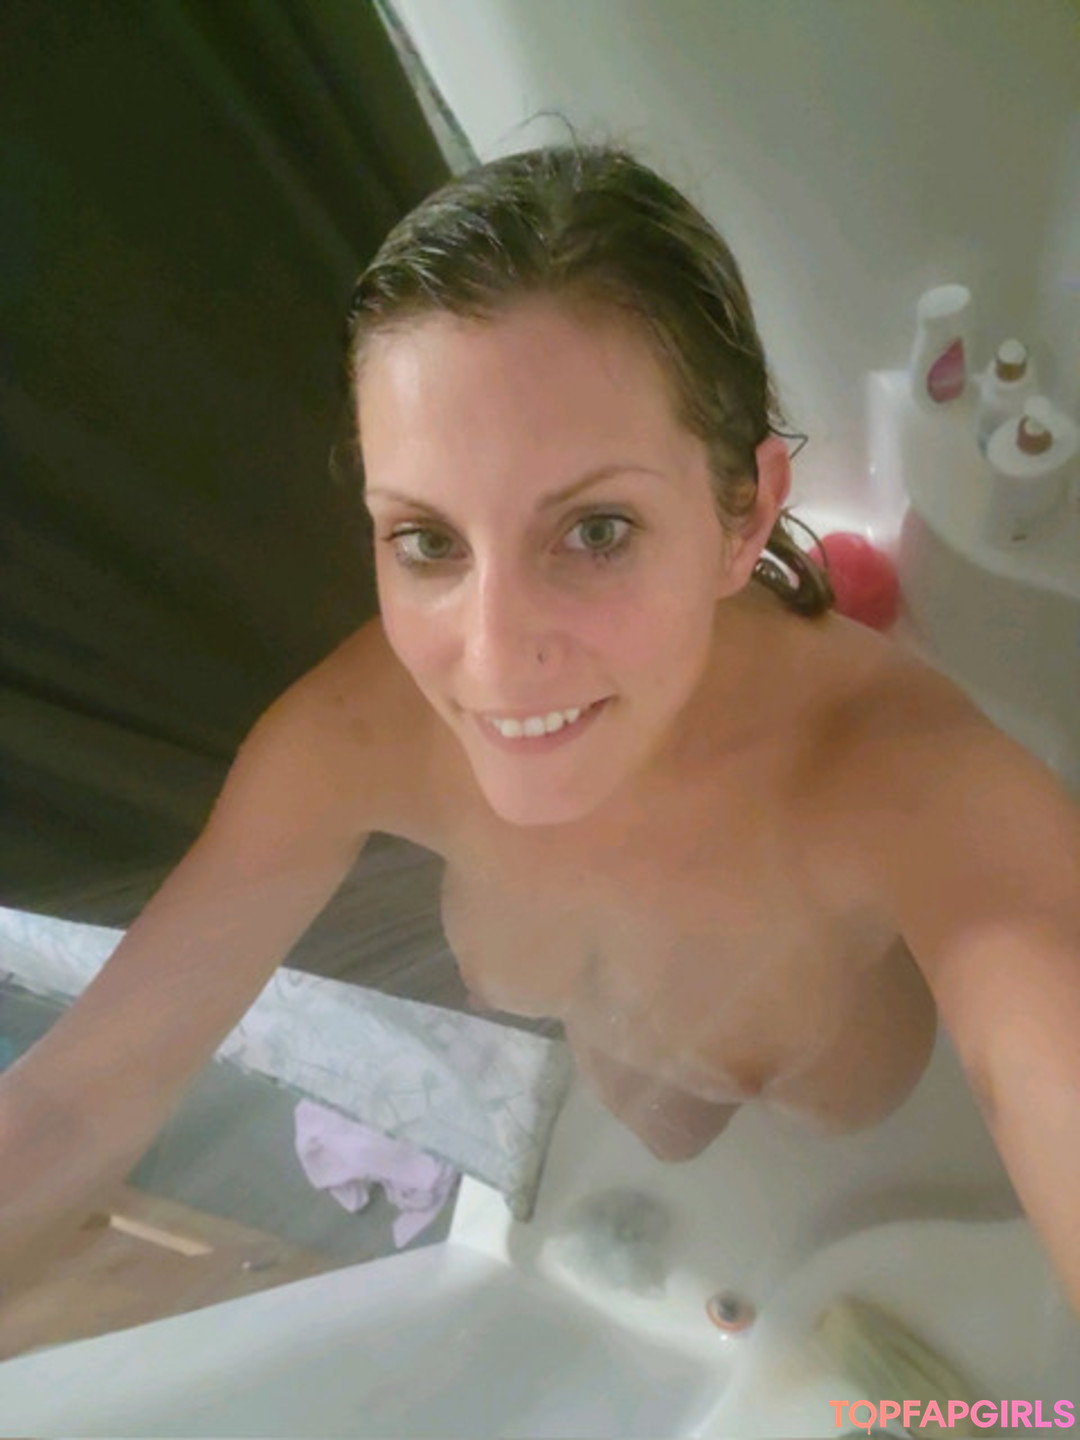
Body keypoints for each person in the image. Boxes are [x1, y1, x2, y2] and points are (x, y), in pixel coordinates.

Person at [2, 143, 1078, 1313]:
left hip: (836, 1082)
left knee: (820, 1104)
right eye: (428, 541)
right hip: (628, 1054)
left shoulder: (904, 774)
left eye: (596, 531)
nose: (493, 656)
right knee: (670, 1130)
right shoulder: (360, 734)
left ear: (744, 512)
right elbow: (82, 1096)